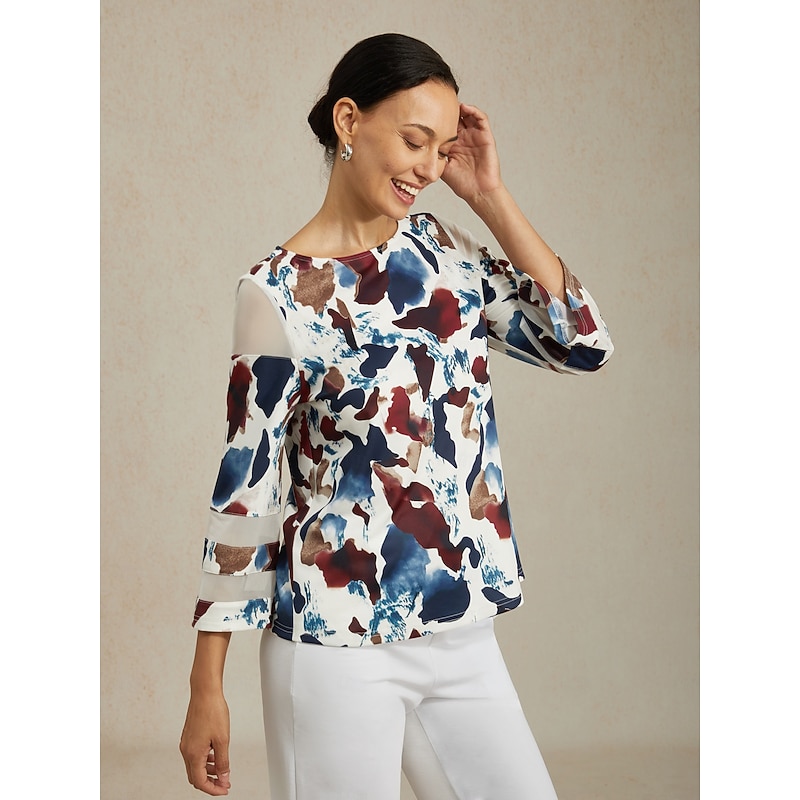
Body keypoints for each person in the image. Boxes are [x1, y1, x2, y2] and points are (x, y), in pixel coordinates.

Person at [180, 32, 613, 800]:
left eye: (441, 151)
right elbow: (244, 495)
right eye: (415, 141)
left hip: (461, 628)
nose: (428, 168)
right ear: (349, 121)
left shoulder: (442, 252)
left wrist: (489, 196)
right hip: (334, 648)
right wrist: (206, 685)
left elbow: (582, 344)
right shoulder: (276, 296)